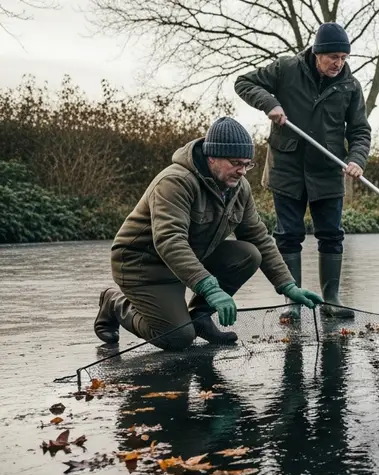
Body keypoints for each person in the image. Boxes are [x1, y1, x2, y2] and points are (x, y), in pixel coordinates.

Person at [93, 116, 325, 350]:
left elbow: (258, 236)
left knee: (249, 253)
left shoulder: (238, 187)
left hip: (188, 259)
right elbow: (170, 241)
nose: (242, 171)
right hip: (143, 265)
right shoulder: (175, 182)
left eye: (247, 164)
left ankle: (200, 316)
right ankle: (114, 303)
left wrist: (288, 285)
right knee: (177, 338)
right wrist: (210, 288)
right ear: (211, 157)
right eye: (236, 163)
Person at [234, 21, 372, 320]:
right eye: (333, 57)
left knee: (332, 235)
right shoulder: (286, 69)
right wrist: (269, 102)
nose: (339, 63)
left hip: (328, 171)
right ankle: (292, 301)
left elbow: (360, 130)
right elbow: (243, 82)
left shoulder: (350, 86)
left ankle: (332, 299)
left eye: (344, 58)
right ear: (317, 53)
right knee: (288, 235)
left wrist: (358, 159)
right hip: (287, 169)